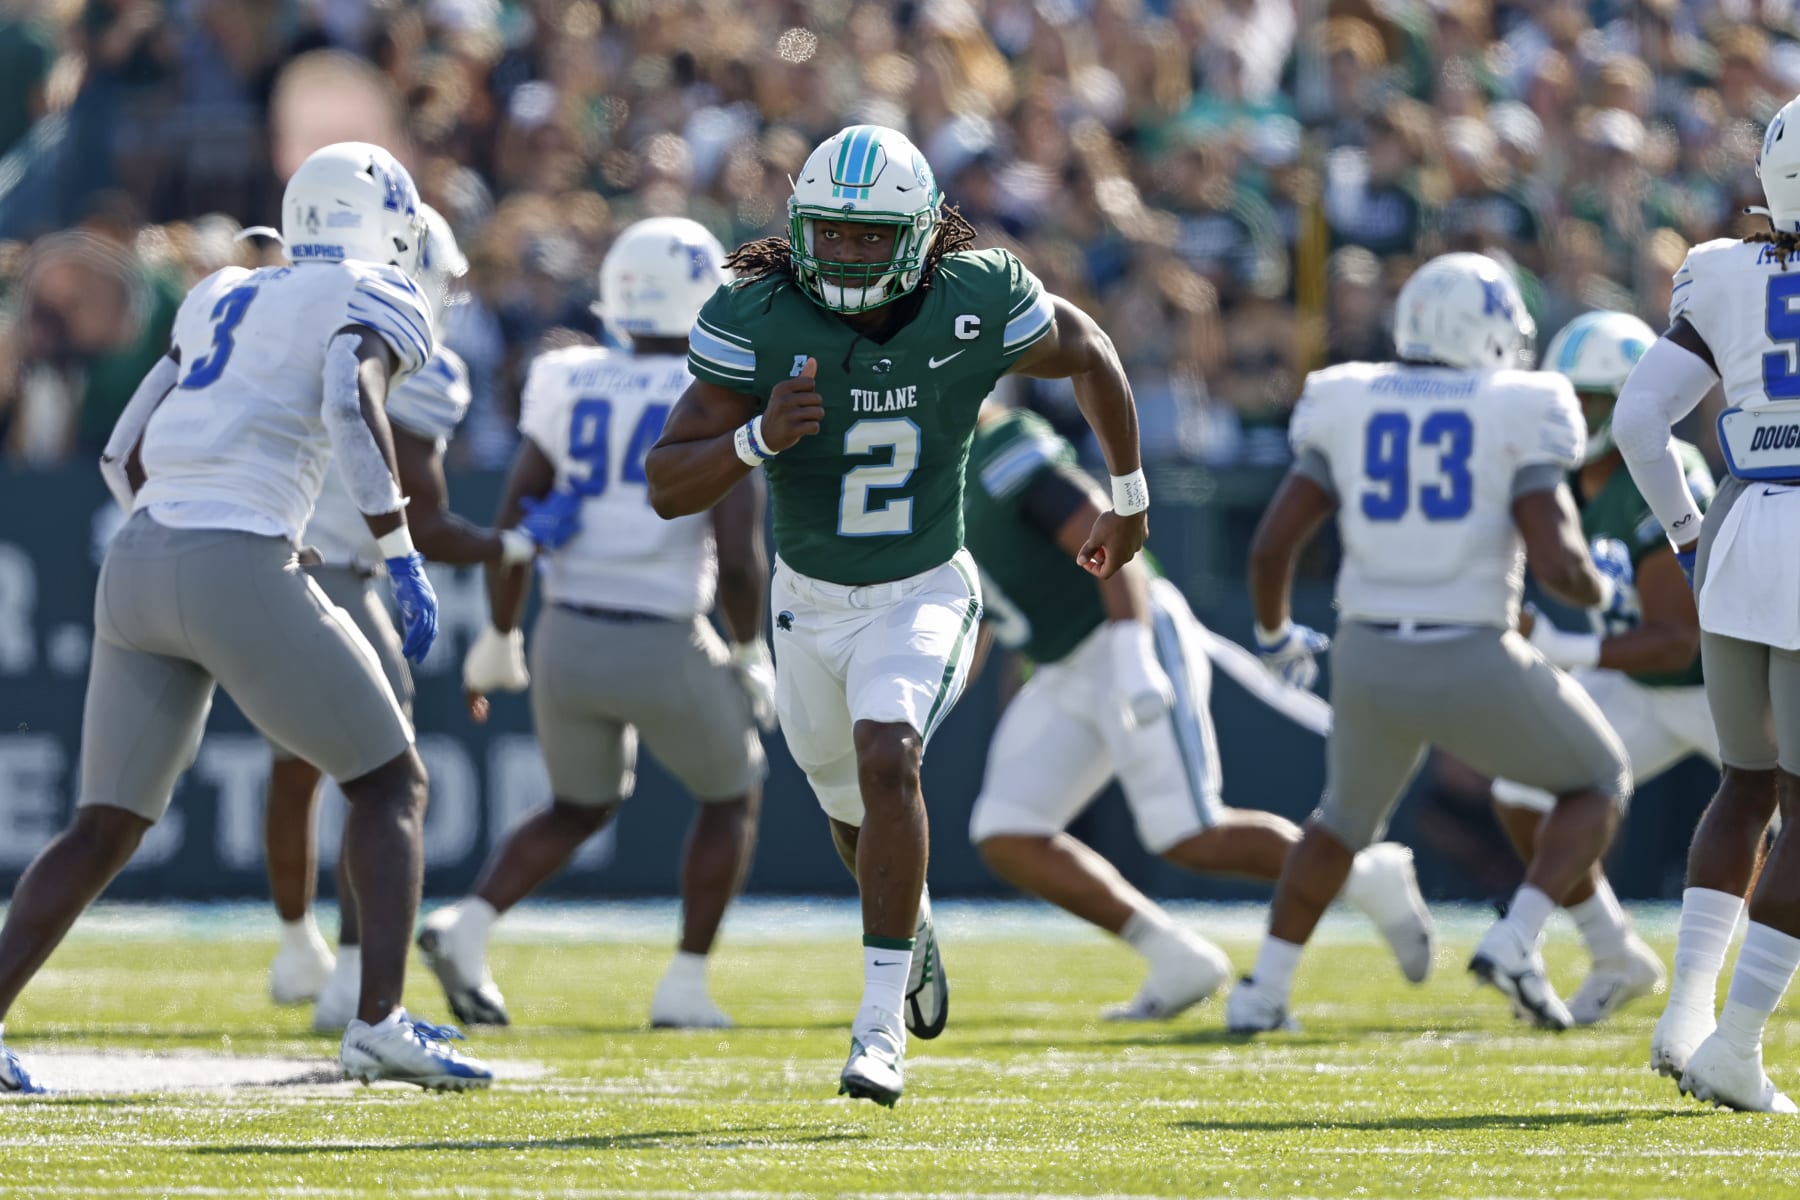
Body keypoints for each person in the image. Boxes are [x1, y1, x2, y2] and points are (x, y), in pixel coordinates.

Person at [644, 124, 1150, 1106]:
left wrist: (1128, 495)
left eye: (871, 237)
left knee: (890, 754)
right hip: (808, 604)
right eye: (830, 234)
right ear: (798, 229)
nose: (846, 254)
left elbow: (1088, 350)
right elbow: (667, 484)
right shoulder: (756, 308)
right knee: (852, 813)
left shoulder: (976, 296)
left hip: (923, 587)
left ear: (922, 236)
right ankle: (906, 923)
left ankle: (877, 1030)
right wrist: (755, 437)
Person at [0, 143, 488, 1093]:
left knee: (102, 824)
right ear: (392, 218)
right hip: (239, 555)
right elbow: (352, 405)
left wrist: (176, 522)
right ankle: (378, 1020)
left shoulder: (223, 289)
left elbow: (120, 446)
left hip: (137, 560)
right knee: (390, 783)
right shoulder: (379, 292)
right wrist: (398, 555)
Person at [1227, 252, 1633, 1037]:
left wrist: (1275, 634)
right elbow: (1556, 560)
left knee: (1340, 823)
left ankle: (1263, 991)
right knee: (1599, 781)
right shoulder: (1522, 404)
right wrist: (1605, 589)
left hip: (1368, 655)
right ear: (1485, 330)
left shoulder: (1348, 396)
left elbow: (1272, 546)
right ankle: (1517, 938)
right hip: (1471, 653)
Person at [964, 401, 1435, 1020]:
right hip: (1061, 664)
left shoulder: (999, 445)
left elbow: (1104, 531)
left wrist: (1133, 650)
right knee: (1007, 829)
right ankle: (1177, 957)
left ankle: (1360, 875)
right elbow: (975, 610)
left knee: (1188, 831)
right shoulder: (930, 477)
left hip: (1122, 631)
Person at [423, 217, 773, 1031]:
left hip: (566, 632)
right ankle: (684, 985)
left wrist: (503, 632)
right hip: (662, 631)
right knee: (731, 795)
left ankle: (467, 925)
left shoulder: (568, 375)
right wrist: (751, 648)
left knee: (577, 805)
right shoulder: (715, 387)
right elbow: (738, 548)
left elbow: (518, 512)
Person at [261, 205, 581, 1032]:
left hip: (264, 568)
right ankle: (357, 985)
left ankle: (304, 947)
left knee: (299, 770)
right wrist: (511, 546)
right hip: (346, 578)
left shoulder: (275, 320)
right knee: (385, 784)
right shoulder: (414, 355)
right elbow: (428, 523)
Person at [1613, 94, 1800, 1113]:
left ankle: (1688, 1014)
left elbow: (1643, 421)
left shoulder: (1725, 274)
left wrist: (1689, 533)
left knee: (1747, 786)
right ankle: (1734, 1046)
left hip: (1738, 536)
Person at [1490, 310, 1718, 1027]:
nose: (1573, 414)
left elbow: (1680, 638)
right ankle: (1615, 952)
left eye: (1590, 399)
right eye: (1567, 396)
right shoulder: (1558, 479)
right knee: (1522, 789)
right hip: (1637, 684)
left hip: (1726, 687)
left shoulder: (1663, 472)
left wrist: (1564, 648)